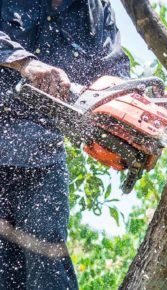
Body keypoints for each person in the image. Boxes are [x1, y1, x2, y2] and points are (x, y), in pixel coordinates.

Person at [0, 0, 130, 289]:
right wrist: (25, 62)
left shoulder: (95, 9)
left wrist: (130, 109)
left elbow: (114, 70)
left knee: (48, 266)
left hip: (42, 153)